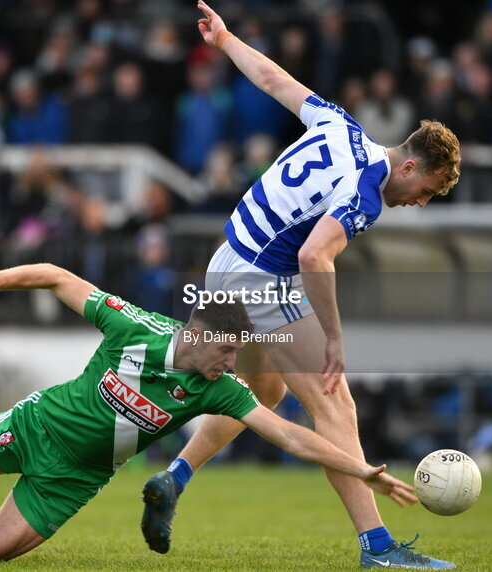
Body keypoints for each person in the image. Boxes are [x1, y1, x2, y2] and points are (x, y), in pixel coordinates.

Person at [0, 262, 418, 561]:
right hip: (34, 427)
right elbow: (59, 277)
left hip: (73, 480)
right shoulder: (136, 329)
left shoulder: (218, 390)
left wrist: (364, 472)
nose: (230, 363)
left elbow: (291, 436)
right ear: (194, 332)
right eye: (225, 350)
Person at [141, 3, 461, 570]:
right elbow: (315, 256)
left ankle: (175, 475)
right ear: (410, 168)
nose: (420, 204)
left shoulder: (341, 125)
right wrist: (334, 339)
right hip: (263, 278)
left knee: (263, 392)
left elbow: (273, 80)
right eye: (428, 191)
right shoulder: (366, 195)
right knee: (334, 401)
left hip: (226, 260)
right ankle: (379, 549)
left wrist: (226, 40)